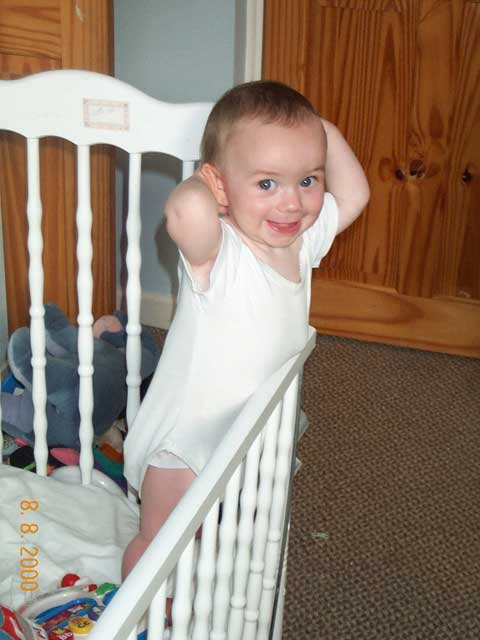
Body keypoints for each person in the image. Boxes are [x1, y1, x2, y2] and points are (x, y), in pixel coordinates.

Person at [122, 80, 370, 578]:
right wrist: (206, 187)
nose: (292, 204)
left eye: (307, 180)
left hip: (249, 430)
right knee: (158, 542)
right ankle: (143, 610)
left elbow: (356, 193)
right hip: (187, 442)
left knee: (222, 527)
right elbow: (183, 212)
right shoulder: (220, 252)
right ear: (220, 187)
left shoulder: (302, 241)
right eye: (266, 184)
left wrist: (321, 132)